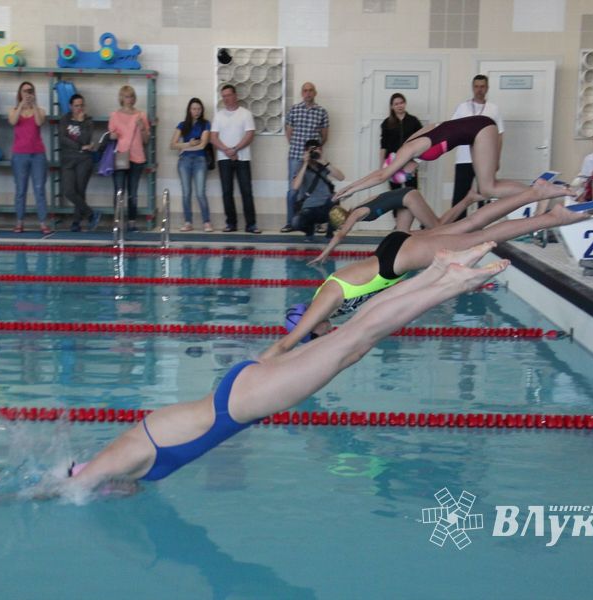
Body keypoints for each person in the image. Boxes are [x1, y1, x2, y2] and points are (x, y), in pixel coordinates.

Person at [64, 245, 510, 490]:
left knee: (352, 340)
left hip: (238, 404)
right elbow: (113, 487)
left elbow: (68, 489)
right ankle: (434, 273)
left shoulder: (114, 459)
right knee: (350, 342)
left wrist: (19, 496)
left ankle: (449, 283)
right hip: (239, 395)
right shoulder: (124, 467)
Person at [263, 179, 581, 357]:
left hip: (398, 258)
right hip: (394, 250)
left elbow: (286, 344)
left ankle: (550, 218)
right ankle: (535, 193)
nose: (320, 337)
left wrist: (260, 365)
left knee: (480, 236)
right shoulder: (328, 309)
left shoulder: (325, 300)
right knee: (472, 223)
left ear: (308, 323)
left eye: (313, 336)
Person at [333, 115, 528, 203]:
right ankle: (535, 194)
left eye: (405, 174)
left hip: (481, 129)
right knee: (481, 189)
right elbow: (440, 126)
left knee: (488, 188)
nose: (410, 175)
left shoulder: (409, 149)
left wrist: (349, 190)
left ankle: (537, 193)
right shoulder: (412, 148)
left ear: (401, 167)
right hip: (476, 130)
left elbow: (381, 176)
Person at [312, 187, 463, 265]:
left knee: (437, 226)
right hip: (402, 201)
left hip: (408, 197)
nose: (343, 228)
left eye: (341, 226)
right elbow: (380, 198)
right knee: (402, 237)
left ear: (342, 222)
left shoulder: (354, 215)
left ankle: (468, 199)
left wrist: (324, 253)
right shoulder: (357, 208)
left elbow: (341, 235)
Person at [449, 75, 504, 217]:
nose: (479, 90)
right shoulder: (463, 108)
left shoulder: (493, 109)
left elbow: (499, 135)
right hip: (464, 159)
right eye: (477, 86)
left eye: (482, 86)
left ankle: (481, 229)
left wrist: (496, 159)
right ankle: (456, 231)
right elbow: (452, 129)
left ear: (487, 88)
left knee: (485, 195)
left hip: (486, 161)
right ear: (473, 88)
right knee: (460, 196)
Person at [211, 84, 259, 233]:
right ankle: (231, 223)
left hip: (242, 158)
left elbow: (250, 135)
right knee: (227, 192)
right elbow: (213, 137)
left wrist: (235, 149)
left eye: (228, 95)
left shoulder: (245, 114)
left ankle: (251, 224)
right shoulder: (218, 115)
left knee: (246, 191)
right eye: (223, 96)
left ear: (235, 96)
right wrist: (227, 150)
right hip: (224, 158)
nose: (226, 99)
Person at [282, 82, 329, 232]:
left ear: (315, 93)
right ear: (302, 93)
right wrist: (299, 148)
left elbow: (324, 136)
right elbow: (289, 133)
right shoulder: (294, 110)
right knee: (293, 190)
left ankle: (312, 222)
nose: (308, 93)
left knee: (312, 191)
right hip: (296, 156)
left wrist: (314, 153)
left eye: (310, 90)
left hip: (314, 160)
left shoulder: (322, 112)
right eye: (305, 91)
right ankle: (290, 222)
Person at [8, 81, 51, 235]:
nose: (28, 93)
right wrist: (21, 105)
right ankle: (19, 222)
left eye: (30, 91)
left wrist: (33, 105)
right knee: (21, 190)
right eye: (25, 91)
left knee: (39, 189)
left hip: (37, 154)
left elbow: (39, 122)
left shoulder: (40, 110)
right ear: (20, 93)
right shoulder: (13, 110)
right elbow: (13, 121)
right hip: (19, 155)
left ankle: (43, 222)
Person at [109, 85, 151, 233]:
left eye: (132, 96)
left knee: (133, 192)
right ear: (122, 98)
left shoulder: (141, 115)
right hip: (121, 155)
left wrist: (142, 128)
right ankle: (118, 222)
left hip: (137, 157)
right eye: (127, 96)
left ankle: (132, 222)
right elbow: (111, 135)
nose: (130, 99)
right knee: (119, 191)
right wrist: (112, 136)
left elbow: (146, 140)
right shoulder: (114, 115)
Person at [59, 94, 100, 233]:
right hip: (68, 160)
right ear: (71, 106)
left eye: (81, 105)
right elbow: (63, 139)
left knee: (80, 191)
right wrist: (80, 147)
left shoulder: (88, 121)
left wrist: (80, 123)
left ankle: (76, 222)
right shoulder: (65, 119)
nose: (79, 108)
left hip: (84, 160)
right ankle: (91, 214)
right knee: (69, 191)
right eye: (76, 106)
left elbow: (85, 139)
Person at [170, 97, 212, 232]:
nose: (196, 111)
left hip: (200, 160)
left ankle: (206, 222)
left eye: (199, 109)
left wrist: (183, 147)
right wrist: (188, 144)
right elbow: (172, 145)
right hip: (184, 162)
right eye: (194, 109)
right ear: (189, 110)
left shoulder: (206, 124)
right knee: (186, 193)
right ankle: (188, 222)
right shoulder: (182, 125)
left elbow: (203, 145)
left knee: (200, 192)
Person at [290, 139, 344, 241]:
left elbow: (341, 177)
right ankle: (310, 230)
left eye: (317, 150)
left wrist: (323, 161)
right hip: (309, 208)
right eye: (311, 151)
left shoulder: (323, 165)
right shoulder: (300, 166)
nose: (314, 153)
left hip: (326, 206)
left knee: (336, 198)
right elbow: (295, 187)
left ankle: (330, 233)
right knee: (295, 223)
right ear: (306, 151)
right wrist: (305, 164)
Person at [380, 93, 423, 191]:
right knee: (394, 193)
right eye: (396, 104)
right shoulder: (386, 123)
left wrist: (417, 162)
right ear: (392, 106)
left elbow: (422, 142)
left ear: (405, 103)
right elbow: (383, 145)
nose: (399, 106)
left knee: (412, 191)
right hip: (392, 162)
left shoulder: (414, 121)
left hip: (410, 161)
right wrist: (382, 166)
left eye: (401, 103)